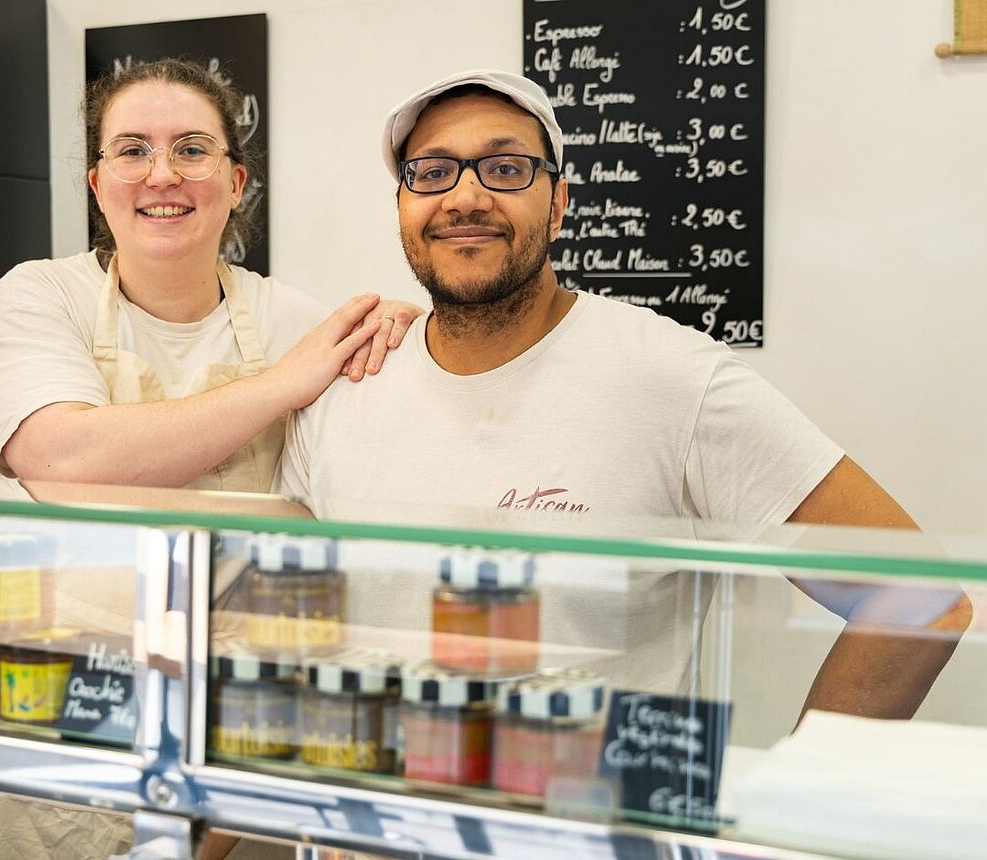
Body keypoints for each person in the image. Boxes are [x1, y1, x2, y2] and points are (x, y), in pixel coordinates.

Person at [277, 69, 971, 718]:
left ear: (558, 204)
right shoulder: (347, 385)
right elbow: (282, 624)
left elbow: (918, 599)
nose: (465, 197)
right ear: (402, 206)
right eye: (431, 172)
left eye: (506, 168)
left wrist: (790, 795)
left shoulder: (672, 379)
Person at [0, 57, 421, 491]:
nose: (163, 176)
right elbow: (59, 460)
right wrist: (281, 385)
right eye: (132, 151)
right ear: (97, 187)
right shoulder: (42, 296)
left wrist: (409, 338)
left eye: (192, 150)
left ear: (236, 185)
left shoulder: (292, 322)